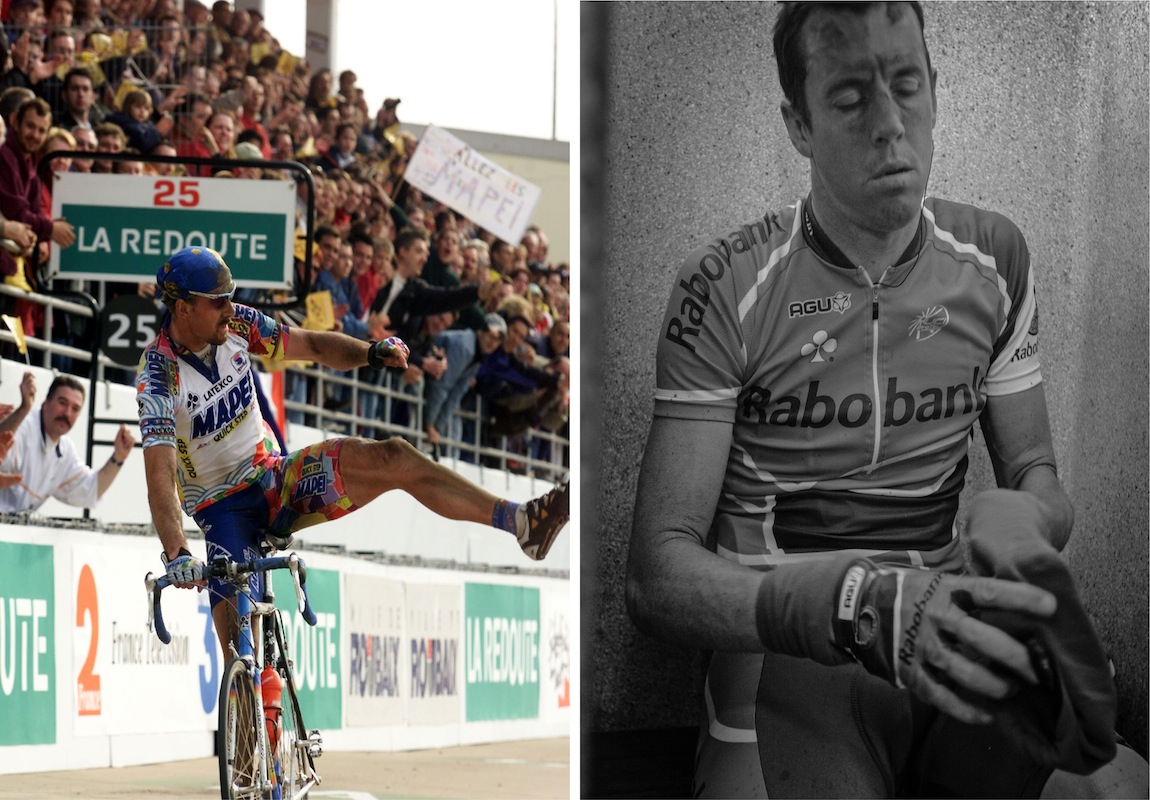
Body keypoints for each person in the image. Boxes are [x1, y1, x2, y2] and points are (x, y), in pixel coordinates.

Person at [624, 3, 1147, 799]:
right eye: (850, 97)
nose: (890, 124)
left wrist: (1033, 515)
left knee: (1122, 786)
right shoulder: (723, 283)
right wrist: (853, 604)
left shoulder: (997, 257)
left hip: (945, 628)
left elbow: (1036, 470)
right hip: (785, 650)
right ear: (799, 125)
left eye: (907, 85)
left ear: (936, 90)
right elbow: (656, 578)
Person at [141, 246, 569, 656]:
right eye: (219, 302)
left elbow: (313, 345)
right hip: (221, 509)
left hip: (274, 479)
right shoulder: (159, 375)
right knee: (240, 646)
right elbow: (159, 473)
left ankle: (521, 522)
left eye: (232, 299)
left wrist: (370, 354)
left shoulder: (236, 327)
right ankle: (253, 707)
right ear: (183, 307)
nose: (231, 310)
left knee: (394, 456)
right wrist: (177, 551)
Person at [0, 372, 135, 513]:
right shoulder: (23, 426)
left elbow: (91, 489)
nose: (67, 413)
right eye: (62, 403)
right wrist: (23, 409)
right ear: (45, 403)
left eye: (75, 409)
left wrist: (118, 457)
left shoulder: (65, 449)